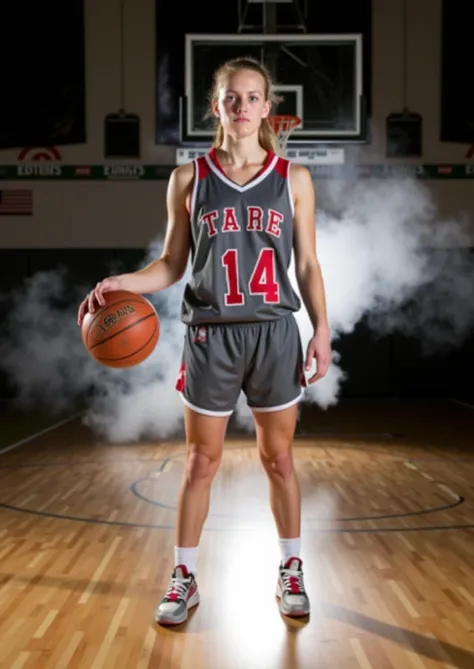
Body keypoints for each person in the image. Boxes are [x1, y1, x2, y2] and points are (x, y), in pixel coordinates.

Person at [77, 56, 331, 625]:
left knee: (280, 458)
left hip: (274, 333)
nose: (241, 107)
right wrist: (120, 282)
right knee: (200, 462)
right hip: (210, 336)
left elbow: (309, 263)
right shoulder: (189, 177)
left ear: (268, 108)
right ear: (215, 107)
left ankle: (291, 569)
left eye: (252, 97)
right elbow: (172, 264)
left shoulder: (294, 178)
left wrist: (322, 329)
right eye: (231, 98)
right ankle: (184, 578)